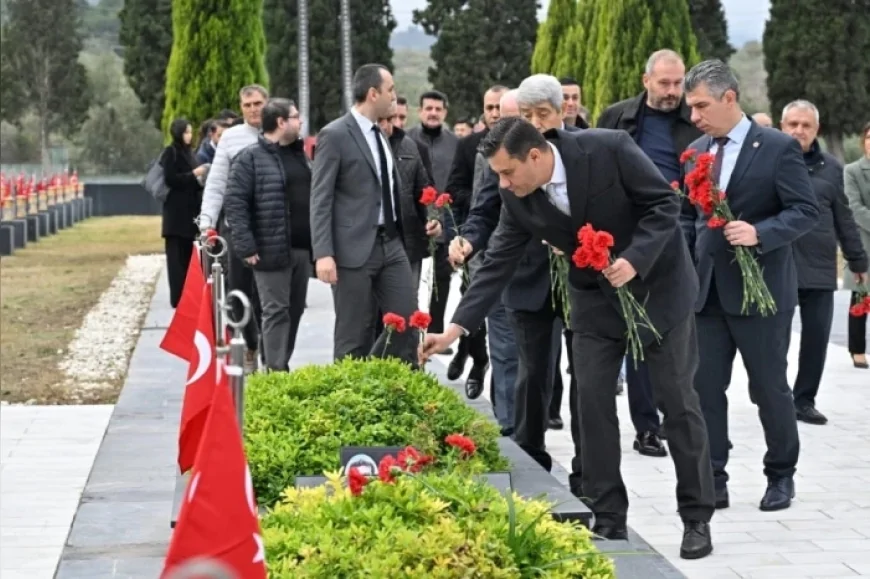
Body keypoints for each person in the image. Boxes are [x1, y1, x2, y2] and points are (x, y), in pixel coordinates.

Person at [424, 116, 716, 559]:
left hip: (658, 288)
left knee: (677, 403)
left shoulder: (609, 148)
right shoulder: (516, 195)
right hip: (594, 302)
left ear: (536, 156)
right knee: (591, 404)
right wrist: (454, 329)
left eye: (507, 171)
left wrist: (634, 259)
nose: (502, 182)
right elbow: (498, 260)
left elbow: (663, 205)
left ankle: (696, 516)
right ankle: (609, 516)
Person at [681, 60, 819, 512]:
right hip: (708, 292)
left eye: (701, 105)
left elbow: (804, 211)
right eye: (690, 107)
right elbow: (690, 217)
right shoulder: (697, 149)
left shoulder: (778, 147)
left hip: (761, 291)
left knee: (768, 388)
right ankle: (713, 477)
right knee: (704, 390)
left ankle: (780, 475)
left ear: (729, 98)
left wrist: (760, 233)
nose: (695, 115)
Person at [596, 49, 703, 458]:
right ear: (646, 81)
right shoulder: (618, 118)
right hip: (631, 240)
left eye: (678, 84)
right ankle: (646, 426)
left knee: (675, 332)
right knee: (638, 331)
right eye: (665, 83)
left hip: (681, 237)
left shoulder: (693, 123)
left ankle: (679, 414)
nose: (673, 91)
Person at [310, 63, 441, 363]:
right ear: (373, 94)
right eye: (390, 90)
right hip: (352, 250)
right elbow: (320, 198)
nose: (395, 96)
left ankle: (376, 378)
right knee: (353, 334)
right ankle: (351, 399)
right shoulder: (335, 134)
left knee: (409, 323)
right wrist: (323, 253)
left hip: (392, 245)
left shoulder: (381, 134)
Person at [780, 100, 867, 423]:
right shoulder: (769, 161)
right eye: (793, 124)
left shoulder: (832, 169)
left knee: (815, 341)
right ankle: (775, 398)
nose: (799, 130)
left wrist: (858, 262)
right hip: (779, 267)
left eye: (806, 125)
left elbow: (845, 220)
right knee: (774, 342)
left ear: (816, 130)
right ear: (782, 125)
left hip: (818, 269)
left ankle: (804, 401)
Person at [223, 98, 312, 372]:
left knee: (294, 312)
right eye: (296, 117)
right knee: (275, 311)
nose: (300, 122)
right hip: (270, 250)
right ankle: (276, 370)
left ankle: (278, 360)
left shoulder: (301, 156)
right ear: (281, 122)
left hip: (302, 250)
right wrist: (246, 246)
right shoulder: (249, 158)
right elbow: (235, 204)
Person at [198, 84, 269, 372]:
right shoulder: (231, 138)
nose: (254, 109)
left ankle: (271, 356)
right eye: (248, 105)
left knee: (270, 297)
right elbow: (216, 184)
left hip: (271, 229)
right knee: (238, 293)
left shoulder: (279, 131)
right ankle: (251, 343)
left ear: (267, 102)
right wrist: (206, 222)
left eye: (258, 103)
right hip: (237, 227)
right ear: (241, 108)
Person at [161, 118, 206, 307]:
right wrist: (194, 175)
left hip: (190, 214)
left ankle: (189, 296)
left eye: (190, 132)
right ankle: (177, 298)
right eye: (186, 132)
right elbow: (171, 179)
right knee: (176, 259)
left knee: (188, 257)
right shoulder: (171, 153)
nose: (189, 136)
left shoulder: (189, 153)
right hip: (176, 214)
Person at [844, 121, 870, 368]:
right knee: (860, 297)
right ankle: (857, 349)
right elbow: (854, 207)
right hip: (864, 242)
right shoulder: (852, 170)